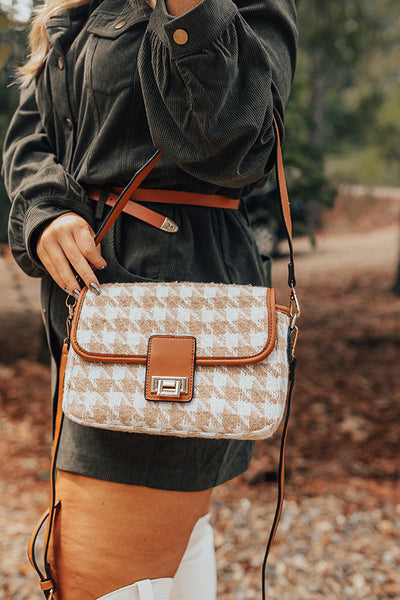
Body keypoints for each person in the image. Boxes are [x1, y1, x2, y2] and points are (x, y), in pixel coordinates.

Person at [2, 0, 297, 598]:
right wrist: (46, 210)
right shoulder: (77, 7)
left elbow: (232, 147)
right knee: (165, 557)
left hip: (172, 313)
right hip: (88, 315)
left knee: (91, 579)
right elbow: (31, 137)